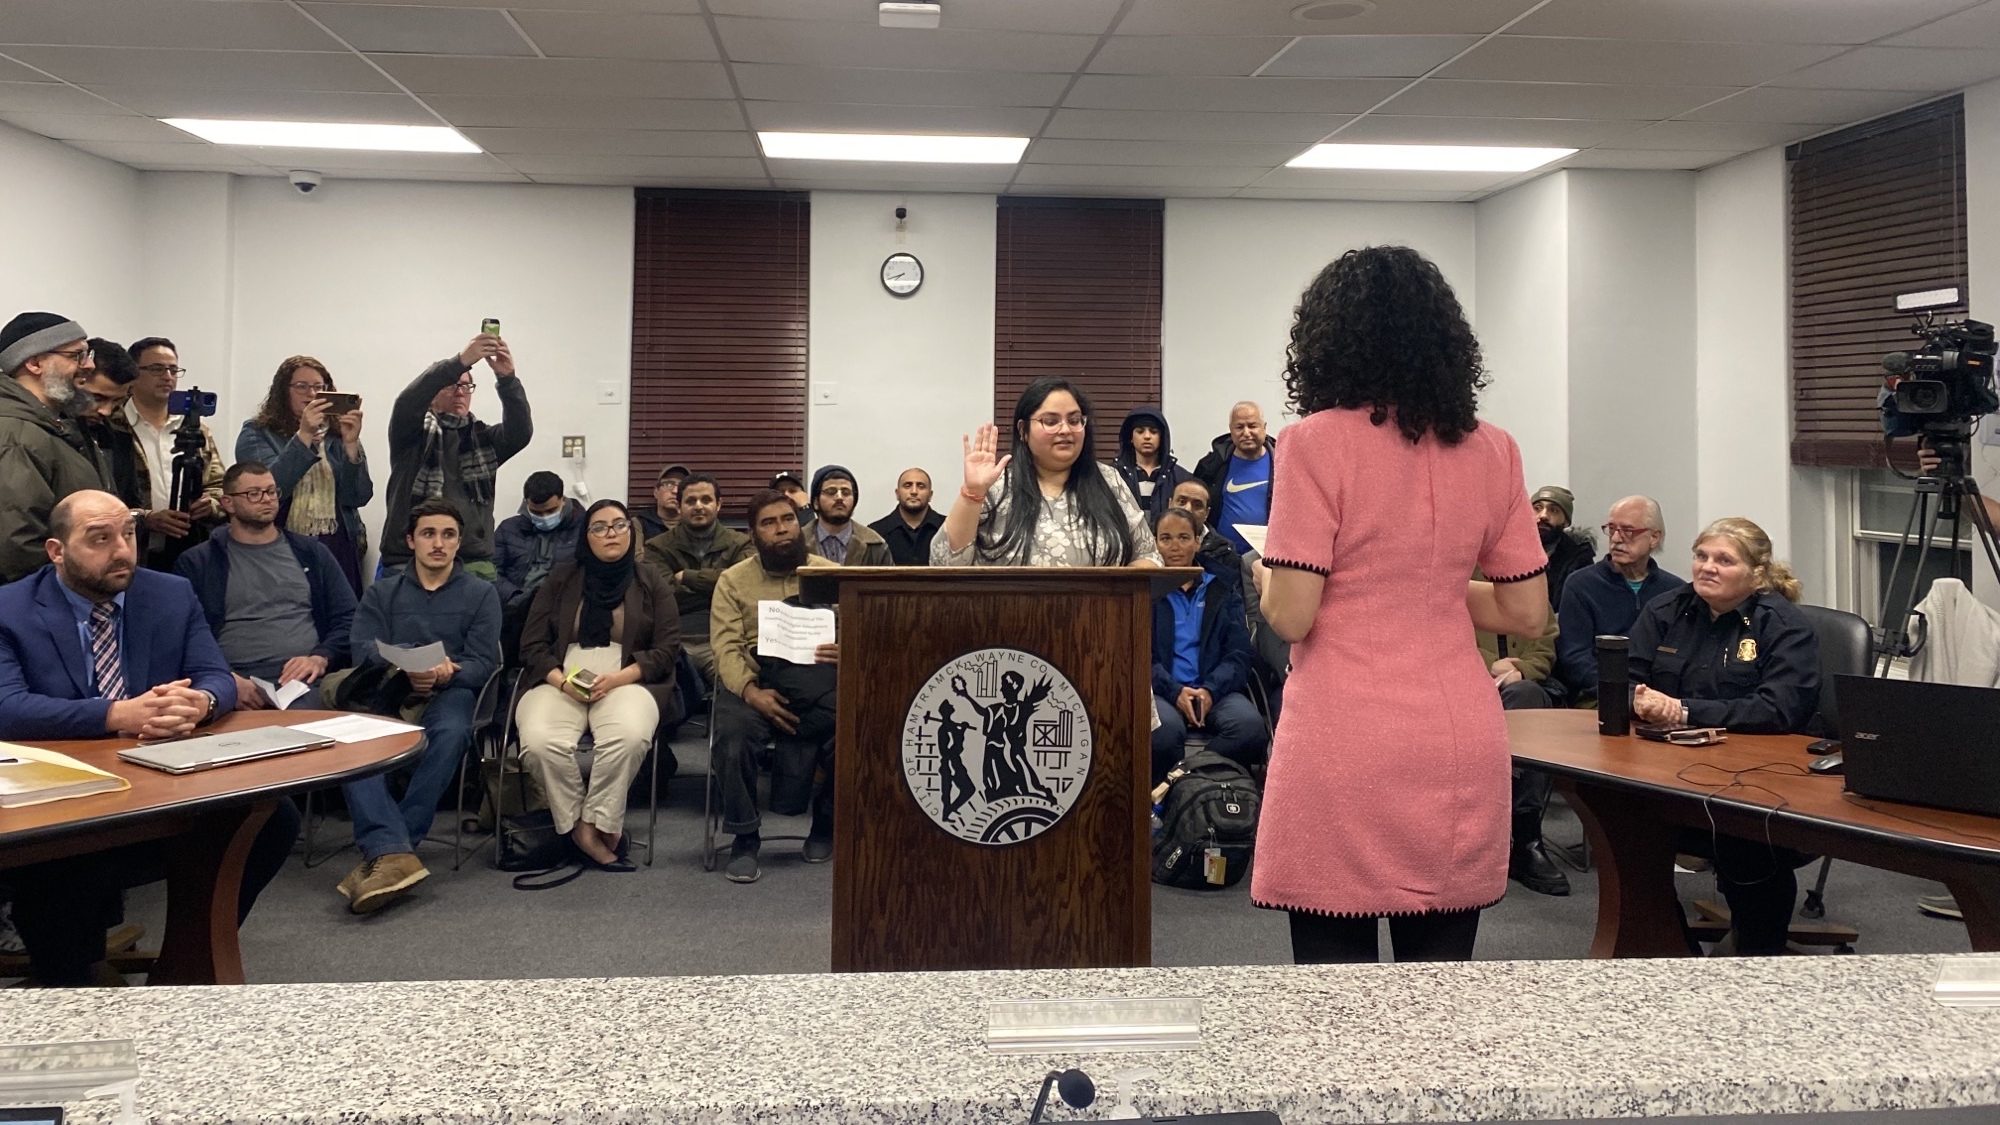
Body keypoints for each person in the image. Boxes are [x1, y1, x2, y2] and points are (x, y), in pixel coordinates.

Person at [1252, 246, 1549, 965]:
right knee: (1439, 1006)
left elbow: (1292, 614)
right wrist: (1431, 587)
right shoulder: (1495, 450)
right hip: (1456, 741)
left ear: (1326, 341)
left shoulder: (1312, 443)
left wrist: (1258, 569)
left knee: (1337, 1005)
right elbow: (1524, 614)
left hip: (1344, 736)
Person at [0, 490, 296, 986]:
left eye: (129, 534)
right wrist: (117, 713)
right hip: (60, 797)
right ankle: (72, 984)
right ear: (56, 551)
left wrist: (198, 703)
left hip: (155, 785)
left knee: (268, 819)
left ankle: (188, 961)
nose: (122, 550)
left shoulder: (168, 594)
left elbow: (214, 675)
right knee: (63, 862)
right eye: (100, 539)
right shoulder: (10, 609)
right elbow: (7, 708)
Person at [1628, 516, 1820, 956]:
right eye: (1701, 556)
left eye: (1724, 560)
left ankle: (1757, 954)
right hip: (1665, 768)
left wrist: (1686, 711)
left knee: (1745, 844)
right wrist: (1636, 699)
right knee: (1628, 832)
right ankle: (1667, 948)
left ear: (1757, 574)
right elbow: (1622, 677)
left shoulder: (1783, 626)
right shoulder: (1666, 610)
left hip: (1757, 777)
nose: (1707, 567)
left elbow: (1779, 709)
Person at [336, 499, 502, 914]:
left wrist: (446, 672)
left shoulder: (481, 594)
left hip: (452, 690)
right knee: (353, 741)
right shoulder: (383, 592)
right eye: (429, 533)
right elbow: (362, 650)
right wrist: (409, 661)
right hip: (389, 688)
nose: (438, 543)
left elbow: (485, 664)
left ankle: (391, 846)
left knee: (450, 734)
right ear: (411, 540)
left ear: (459, 542)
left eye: (448, 535)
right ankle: (395, 851)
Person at [516, 499, 681, 869]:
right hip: (561, 676)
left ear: (632, 531)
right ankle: (579, 826)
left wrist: (620, 677)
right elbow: (531, 644)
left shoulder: (650, 579)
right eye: (600, 527)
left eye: (620, 525)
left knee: (628, 737)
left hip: (628, 677)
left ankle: (593, 824)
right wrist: (560, 680)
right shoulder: (561, 578)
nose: (611, 533)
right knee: (540, 743)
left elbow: (668, 647)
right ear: (585, 536)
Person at [708, 490, 839, 884]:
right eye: (768, 523)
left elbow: (863, 631)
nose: (781, 529)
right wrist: (751, 693)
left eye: (786, 519)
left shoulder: (831, 573)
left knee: (852, 731)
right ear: (752, 535)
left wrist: (847, 648)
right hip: (757, 686)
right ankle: (745, 836)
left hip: (821, 685)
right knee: (733, 735)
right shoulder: (733, 581)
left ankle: (825, 826)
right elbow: (726, 647)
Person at [176, 462, 355, 712]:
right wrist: (224, 678)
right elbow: (184, 636)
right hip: (231, 679)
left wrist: (320, 657)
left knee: (305, 726)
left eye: (271, 492)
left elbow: (348, 617)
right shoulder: (199, 562)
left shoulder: (311, 553)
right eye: (254, 494)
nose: (267, 500)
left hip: (303, 680)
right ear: (227, 503)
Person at [932, 377, 1161, 568]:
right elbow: (944, 564)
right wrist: (972, 493)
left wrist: (1116, 590)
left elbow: (1150, 557)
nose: (1065, 430)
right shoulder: (996, 486)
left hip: (1098, 619)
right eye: (1050, 421)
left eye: (1074, 420)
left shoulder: (1109, 481)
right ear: (1023, 430)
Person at [380, 334, 532, 579]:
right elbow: (408, 401)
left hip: (472, 562)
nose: (461, 393)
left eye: (466, 386)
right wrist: (461, 361)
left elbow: (520, 433)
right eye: (452, 385)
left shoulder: (483, 440)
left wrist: (507, 380)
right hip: (408, 561)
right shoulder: (411, 434)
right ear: (432, 393)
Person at [235, 355, 374, 595]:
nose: (311, 394)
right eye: (301, 386)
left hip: (337, 543)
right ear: (283, 391)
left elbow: (358, 497)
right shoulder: (257, 433)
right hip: (280, 544)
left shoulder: (338, 435)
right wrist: (304, 436)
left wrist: (351, 445)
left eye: (319, 388)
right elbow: (270, 490)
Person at [1149, 507, 1266, 781]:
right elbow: (1140, 656)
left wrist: (1211, 690)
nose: (1175, 547)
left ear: (1197, 542)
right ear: (1154, 542)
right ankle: (1170, 797)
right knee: (1162, 731)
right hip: (1163, 690)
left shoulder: (1222, 589)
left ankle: (1183, 782)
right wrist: (1175, 690)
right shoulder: (1146, 591)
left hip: (1217, 690)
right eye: (1165, 538)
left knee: (1249, 728)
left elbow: (1238, 653)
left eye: (1183, 537)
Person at [0, 312, 104, 583]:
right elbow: (17, 546)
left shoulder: (60, 424)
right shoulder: (17, 435)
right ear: (35, 363)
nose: (90, 365)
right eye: (77, 355)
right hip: (42, 603)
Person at [1475, 593, 1568, 897]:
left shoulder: (1527, 589)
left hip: (1519, 691)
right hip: (1464, 685)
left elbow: (1545, 644)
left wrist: (1522, 670)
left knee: (1528, 696)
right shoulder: (1456, 580)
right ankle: (1511, 835)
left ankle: (1526, 836)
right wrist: (1492, 665)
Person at [1555, 495, 1687, 703]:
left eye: (1628, 531)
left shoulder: (1676, 591)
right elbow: (1574, 657)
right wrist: (1624, 693)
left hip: (1661, 699)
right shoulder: (1581, 584)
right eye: (1611, 529)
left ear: (1654, 537)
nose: (1616, 538)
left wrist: (1657, 699)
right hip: (1599, 695)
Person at [124, 336, 225, 573]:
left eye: (173, 369)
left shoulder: (194, 428)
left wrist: (209, 505)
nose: (167, 376)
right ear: (133, 374)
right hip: (131, 552)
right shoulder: (115, 425)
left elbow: (219, 484)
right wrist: (145, 518)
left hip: (189, 550)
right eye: (157, 369)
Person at [643, 472, 750, 682]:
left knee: (734, 688)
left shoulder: (740, 543)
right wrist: (720, 590)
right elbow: (664, 596)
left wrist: (687, 577)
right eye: (690, 501)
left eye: (706, 500)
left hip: (727, 640)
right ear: (679, 507)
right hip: (675, 641)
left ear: (719, 505)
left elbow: (744, 589)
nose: (699, 506)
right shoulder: (657, 547)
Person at [1193, 401, 1277, 553]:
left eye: (1252, 426)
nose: (1246, 433)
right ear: (1231, 431)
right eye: (1239, 427)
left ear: (1264, 428)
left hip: (1269, 557)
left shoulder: (1283, 464)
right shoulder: (1211, 466)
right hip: (1222, 559)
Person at [493, 470, 583, 610]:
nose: (544, 517)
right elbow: (492, 571)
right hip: (514, 606)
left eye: (551, 510)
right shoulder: (508, 529)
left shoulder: (583, 528)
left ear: (563, 500)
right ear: (526, 503)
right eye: (536, 512)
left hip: (563, 608)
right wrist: (514, 596)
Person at [73, 339, 145, 509]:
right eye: (97, 398)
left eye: (117, 401)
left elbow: (130, 501)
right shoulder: (45, 436)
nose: (106, 411)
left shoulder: (119, 438)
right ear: (76, 380)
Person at [1113, 405, 1195, 520]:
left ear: (1161, 438)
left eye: (1153, 432)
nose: (1147, 436)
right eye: (1140, 431)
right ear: (1131, 437)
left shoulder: (1181, 478)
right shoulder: (1114, 476)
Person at [1168, 477, 1242, 592]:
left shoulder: (1225, 550)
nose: (1188, 509)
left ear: (1207, 513)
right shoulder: (1149, 541)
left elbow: (1232, 600)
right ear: (1170, 504)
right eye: (1182, 502)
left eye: (1197, 505)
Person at [809, 465, 892, 565]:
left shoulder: (875, 545)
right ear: (816, 502)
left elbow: (890, 581)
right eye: (831, 492)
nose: (839, 497)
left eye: (846, 492)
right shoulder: (796, 542)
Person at [1531, 485, 1597, 610]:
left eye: (1554, 510)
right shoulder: (1509, 552)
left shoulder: (1579, 559)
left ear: (1565, 522)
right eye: (1537, 508)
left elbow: (1575, 610)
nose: (1543, 515)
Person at [868, 467, 944, 566]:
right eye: (907, 486)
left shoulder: (948, 530)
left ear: (930, 495)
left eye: (921, 486)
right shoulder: (875, 533)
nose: (914, 491)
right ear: (897, 493)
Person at [634, 463, 689, 541]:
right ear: (656, 492)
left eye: (682, 486)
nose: (675, 491)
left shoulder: (694, 523)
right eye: (669, 484)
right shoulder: (639, 524)